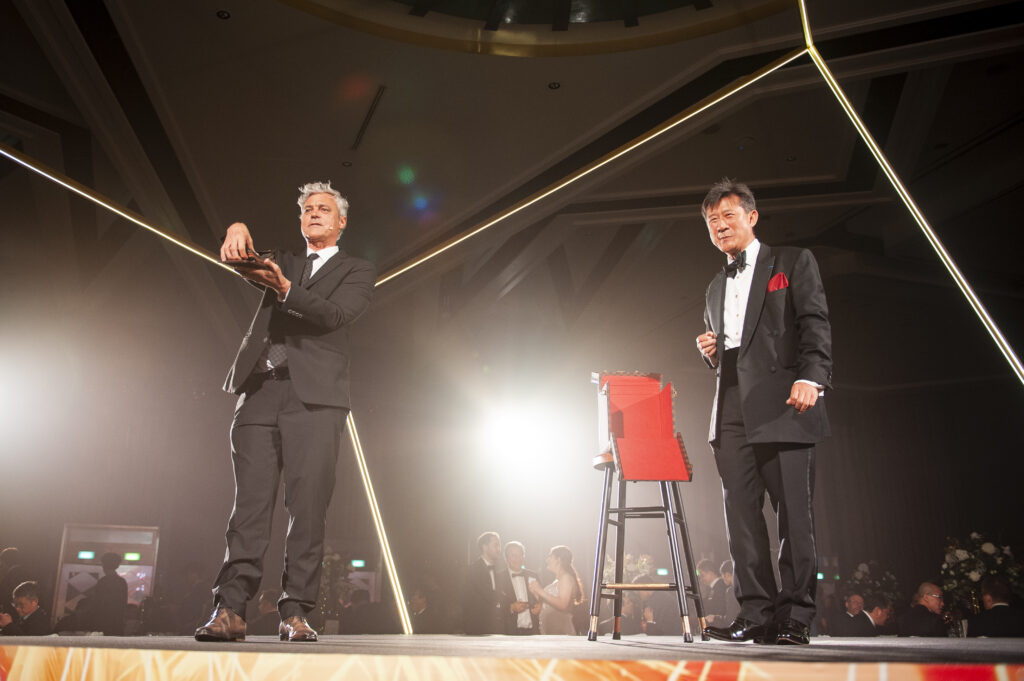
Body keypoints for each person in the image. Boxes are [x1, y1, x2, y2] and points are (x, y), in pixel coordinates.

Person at [194, 181, 376, 643]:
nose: (313, 213)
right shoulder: (284, 259)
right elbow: (242, 258)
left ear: (341, 221)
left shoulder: (358, 270)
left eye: (323, 209)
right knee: (248, 508)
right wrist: (235, 228)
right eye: (307, 208)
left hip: (315, 401)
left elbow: (333, 316)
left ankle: (295, 612)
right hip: (259, 391)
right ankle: (230, 609)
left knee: (307, 509)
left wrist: (285, 289)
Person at [695, 179, 832, 646]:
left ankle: (795, 616)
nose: (720, 225)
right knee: (742, 517)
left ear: (751, 217)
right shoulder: (714, 285)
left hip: (785, 401)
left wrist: (812, 377)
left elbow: (814, 322)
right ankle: (755, 613)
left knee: (794, 516)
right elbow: (732, 350)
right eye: (712, 220)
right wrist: (711, 352)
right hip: (732, 404)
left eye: (728, 215)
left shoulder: (791, 262)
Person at [529, 546, 583, 635]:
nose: (547, 560)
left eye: (550, 557)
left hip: (560, 630)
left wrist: (540, 590)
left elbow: (562, 604)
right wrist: (536, 593)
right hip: (550, 629)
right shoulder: (557, 580)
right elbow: (550, 604)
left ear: (559, 559)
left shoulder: (566, 578)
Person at [462, 532, 507, 634]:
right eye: (496, 545)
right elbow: (487, 594)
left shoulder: (497, 569)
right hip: (477, 626)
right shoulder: (473, 569)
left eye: (499, 545)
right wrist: (510, 604)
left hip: (494, 625)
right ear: (485, 547)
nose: (499, 549)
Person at [500, 541, 541, 635]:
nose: (518, 559)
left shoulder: (533, 575)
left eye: (520, 555)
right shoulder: (499, 578)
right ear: (506, 558)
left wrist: (540, 605)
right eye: (513, 555)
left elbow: (541, 598)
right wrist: (511, 608)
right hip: (508, 632)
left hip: (533, 631)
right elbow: (492, 606)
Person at [89, 552, 128, 635]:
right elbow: (123, 604)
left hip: (102, 623)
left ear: (104, 565)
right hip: (117, 623)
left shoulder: (103, 582)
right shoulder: (121, 582)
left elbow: (97, 603)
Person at [697, 559, 726, 625]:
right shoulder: (712, 588)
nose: (701, 579)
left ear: (710, 573)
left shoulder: (720, 586)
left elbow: (721, 608)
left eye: (702, 575)